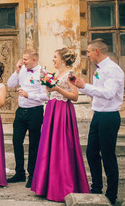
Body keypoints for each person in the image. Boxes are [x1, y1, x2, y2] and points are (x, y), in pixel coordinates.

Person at [31, 48, 89, 202]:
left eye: (55, 57)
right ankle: (46, 185)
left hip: (63, 112)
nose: (53, 59)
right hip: (51, 110)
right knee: (48, 146)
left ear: (63, 59)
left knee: (62, 146)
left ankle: (62, 186)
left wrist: (57, 88)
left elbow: (75, 96)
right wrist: (47, 85)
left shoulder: (70, 74)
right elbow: (50, 94)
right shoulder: (54, 74)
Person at [72, 39, 124, 205]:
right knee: (91, 152)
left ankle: (111, 195)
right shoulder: (98, 69)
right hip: (98, 115)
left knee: (108, 155)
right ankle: (96, 189)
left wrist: (85, 85)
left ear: (97, 52)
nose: (86, 55)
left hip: (109, 116)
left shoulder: (113, 70)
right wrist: (80, 86)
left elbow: (108, 93)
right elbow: (96, 93)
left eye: (88, 51)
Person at [7, 49, 48, 188]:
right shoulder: (22, 69)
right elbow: (10, 84)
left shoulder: (42, 73)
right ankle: (20, 173)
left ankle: (32, 175)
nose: (23, 61)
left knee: (34, 144)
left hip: (35, 111)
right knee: (16, 141)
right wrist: (17, 70)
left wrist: (28, 95)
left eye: (25, 59)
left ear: (34, 60)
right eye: (23, 59)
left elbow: (46, 96)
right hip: (20, 111)